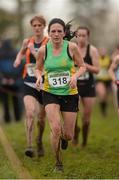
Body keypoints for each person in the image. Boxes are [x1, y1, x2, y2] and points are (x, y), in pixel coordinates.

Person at [35, 18, 86, 171]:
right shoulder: (43, 50)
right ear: (48, 33)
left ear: (64, 33)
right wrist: (39, 77)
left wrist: (74, 77)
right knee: (56, 128)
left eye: (59, 31)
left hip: (70, 93)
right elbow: (38, 68)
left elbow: (82, 66)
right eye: (53, 31)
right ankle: (58, 162)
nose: (56, 34)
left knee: (69, 135)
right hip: (50, 92)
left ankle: (65, 138)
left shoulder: (72, 47)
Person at [13, 15, 49, 157]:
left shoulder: (49, 42)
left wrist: (34, 51)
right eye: (34, 25)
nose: (37, 28)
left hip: (44, 83)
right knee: (29, 112)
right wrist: (17, 60)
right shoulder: (27, 41)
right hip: (28, 81)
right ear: (32, 27)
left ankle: (39, 140)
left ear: (44, 27)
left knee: (41, 119)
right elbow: (21, 53)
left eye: (40, 25)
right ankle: (29, 145)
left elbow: (48, 61)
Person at [72, 26, 100, 146]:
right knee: (74, 114)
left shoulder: (92, 50)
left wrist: (84, 65)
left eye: (84, 36)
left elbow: (97, 70)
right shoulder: (71, 49)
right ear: (76, 36)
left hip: (88, 86)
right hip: (74, 85)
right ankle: (75, 134)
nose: (81, 38)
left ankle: (84, 141)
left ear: (88, 36)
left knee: (87, 116)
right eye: (79, 35)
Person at [0, 39, 23, 123]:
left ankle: (8, 119)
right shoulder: (15, 53)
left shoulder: (13, 53)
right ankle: (17, 119)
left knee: (6, 102)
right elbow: (19, 67)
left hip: (5, 83)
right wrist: (13, 79)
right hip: (13, 82)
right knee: (16, 101)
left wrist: (3, 79)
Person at [96, 47, 112, 117]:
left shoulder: (109, 59)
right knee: (102, 94)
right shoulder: (96, 59)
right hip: (99, 79)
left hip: (108, 80)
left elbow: (112, 68)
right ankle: (103, 111)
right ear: (99, 52)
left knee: (105, 97)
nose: (103, 52)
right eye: (101, 51)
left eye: (104, 51)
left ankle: (104, 111)